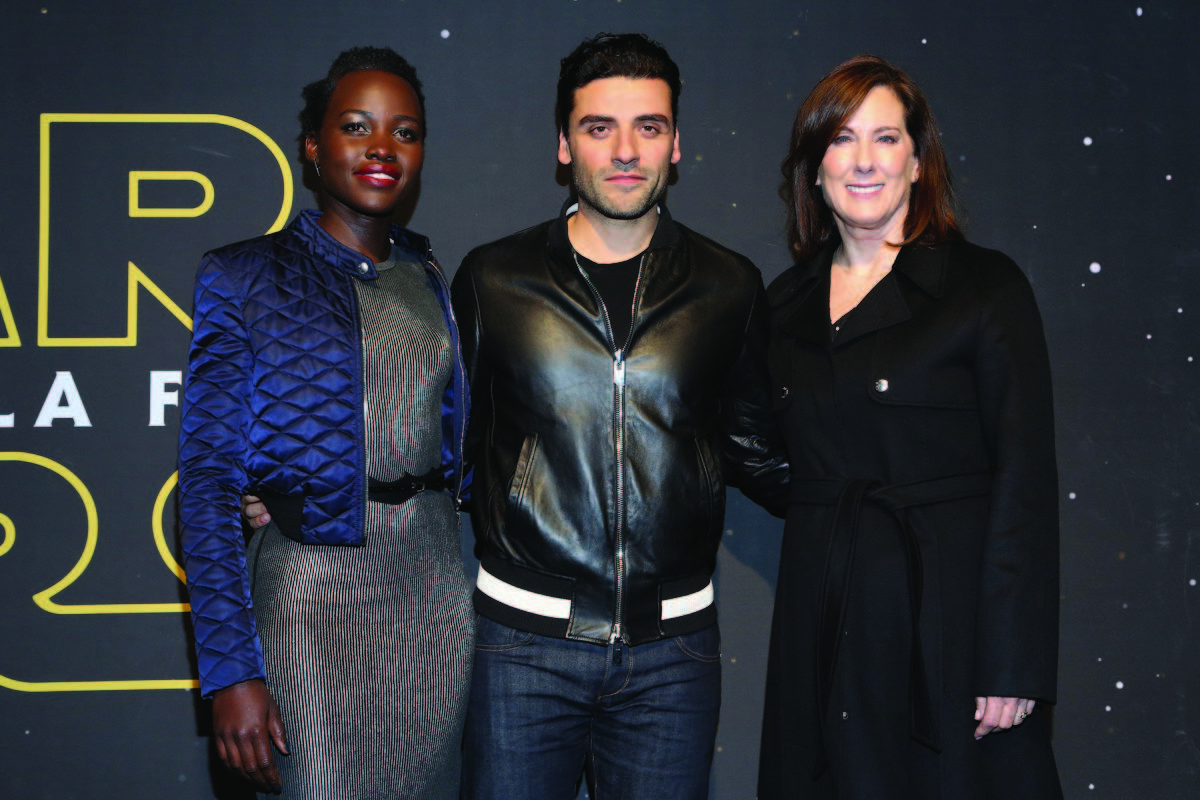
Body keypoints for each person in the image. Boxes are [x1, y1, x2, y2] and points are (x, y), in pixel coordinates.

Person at [451, 33, 788, 800]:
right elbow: (449, 447)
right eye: (600, 127)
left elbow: (755, 449)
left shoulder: (730, 285)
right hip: (522, 649)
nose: (627, 150)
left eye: (650, 126)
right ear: (564, 145)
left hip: (673, 656)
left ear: (677, 143)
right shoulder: (494, 278)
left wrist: (893, 497)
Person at [757, 55, 1062, 798]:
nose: (863, 161)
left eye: (886, 138)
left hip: (946, 634)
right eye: (841, 139)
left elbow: (1026, 482)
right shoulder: (781, 305)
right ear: (813, 165)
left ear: (919, 161)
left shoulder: (985, 287)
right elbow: (753, 447)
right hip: (822, 624)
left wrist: (1010, 664)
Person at [178, 47, 472, 799]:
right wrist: (231, 672)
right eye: (356, 126)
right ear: (312, 145)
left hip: (433, 596)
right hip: (310, 599)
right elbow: (208, 484)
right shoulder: (243, 275)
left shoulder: (429, 272)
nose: (382, 148)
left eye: (405, 132)